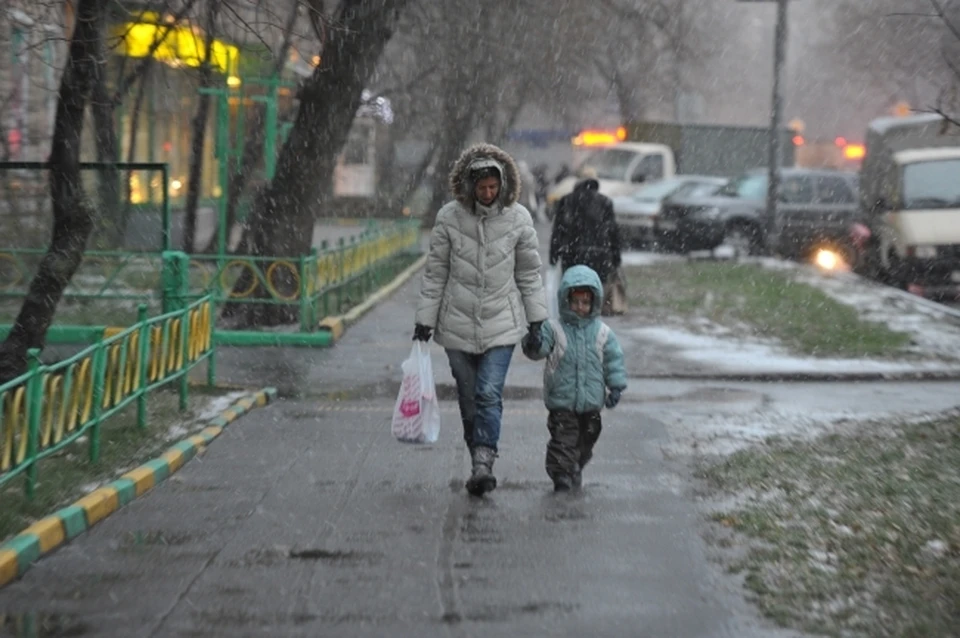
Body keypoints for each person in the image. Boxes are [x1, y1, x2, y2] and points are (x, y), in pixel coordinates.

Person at [414, 143, 548, 497]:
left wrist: (538, 320)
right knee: (469, 395)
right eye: (482, 188)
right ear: (470, 186)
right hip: (456, 325)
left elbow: (530, 274)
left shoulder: (519, 219)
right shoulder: (448, 218)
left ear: (502, 185)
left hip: (501, 323)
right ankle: (478, 452)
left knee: (488, 392)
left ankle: (483, 461)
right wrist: (424, 320)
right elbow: (435, 273)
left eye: (493, 188)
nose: (488, 194)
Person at [522, 265, 627, 491]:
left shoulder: (602, 333)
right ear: (566, 300)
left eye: (585, 302)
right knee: (563, 439)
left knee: (587, 438)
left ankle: (576, 464)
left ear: (594, 302)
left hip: (591, 402)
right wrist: (534, 340)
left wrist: (616, 385)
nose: (580, 307)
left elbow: (613, 360)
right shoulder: (555, 329)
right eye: (576, 301)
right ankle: (561, 474)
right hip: (562, 400)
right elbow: (538, 351)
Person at [549, 174, 624, 315]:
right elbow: (613, 232)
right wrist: (616, 257)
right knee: (594, 291)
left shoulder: (566, 201)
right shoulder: (605, 202)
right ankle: (592, 317)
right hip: (599, 256)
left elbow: (558, 231)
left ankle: (573, 316)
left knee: (573, 288)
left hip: (572, 255)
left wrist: (553, 255)